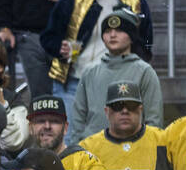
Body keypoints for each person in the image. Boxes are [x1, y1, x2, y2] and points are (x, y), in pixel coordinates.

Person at [42, 0, 155, 112]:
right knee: (73, 138)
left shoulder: (136, 2)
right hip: (72, 82)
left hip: (116, 86)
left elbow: (146, 46)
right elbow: (48, 37)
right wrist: (60, 47)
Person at [67, 10, 162, 144]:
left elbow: (154, 120)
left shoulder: (144, 72)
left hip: (132, 149)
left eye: (119, 30)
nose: (112, 35)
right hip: (93, 149)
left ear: (131, 36)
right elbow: (78, 118)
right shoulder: (90, 72)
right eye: (107, 31)